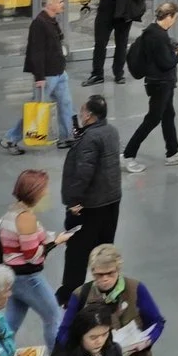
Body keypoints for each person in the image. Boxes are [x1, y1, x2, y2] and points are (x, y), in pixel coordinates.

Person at [57, 243, 165, 356]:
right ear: (92, 272)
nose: (105, 279)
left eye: (110, 273)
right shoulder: (80, 296)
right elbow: (64, 332)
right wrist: (84, 347)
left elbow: (157, 322)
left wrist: (147, 340)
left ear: (118, 269)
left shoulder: (135, 288)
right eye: (99, 275)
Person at [0, 168, 70, 345]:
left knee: (11, 324)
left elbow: (27, 241)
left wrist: (52, 237)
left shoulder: (11, 213)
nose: (47, 191)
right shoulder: (26, 218)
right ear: (36, 191)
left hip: (12, 276)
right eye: (44, 188)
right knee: (53, 317)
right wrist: (56, 242)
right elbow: (32, 256)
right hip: (28, 278)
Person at [57, 94, 122, 296]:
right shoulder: (111, 131)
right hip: (111, 200)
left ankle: (71, 292)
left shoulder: (90, 139)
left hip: (90, 205)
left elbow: (83, 173)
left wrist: (74, 201)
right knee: (103, 249)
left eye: (83, 111)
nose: (80, 114)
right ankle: (107, 287)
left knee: (77, 250)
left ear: (90, 116)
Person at [119, 1, 178, 171]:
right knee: (152, 119)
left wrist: (176, 48)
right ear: (168, 16)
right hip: (160, 83)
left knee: (168, 116)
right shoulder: (158, 35)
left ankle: (173, 153)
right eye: (175, 18)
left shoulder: (153, 31)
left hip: (160, 83)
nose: (175, 21)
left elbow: (161, 53)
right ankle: (128, 155)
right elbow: (165, 63)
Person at [2, 0, 76, 155]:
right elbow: (36, 52)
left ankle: (67, 136)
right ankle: (11, 138)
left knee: (66, 104)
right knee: (36, 109)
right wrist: (39, 76)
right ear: (51, 4)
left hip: (59, 72)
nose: (63, 4)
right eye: (60, 2)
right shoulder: (39, 23)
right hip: (48, 75)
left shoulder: (51, 20)